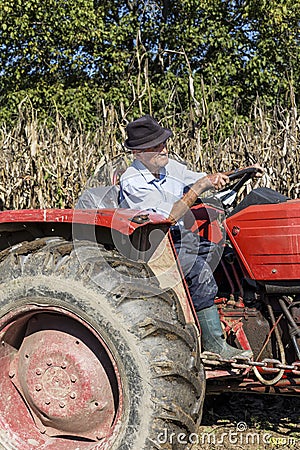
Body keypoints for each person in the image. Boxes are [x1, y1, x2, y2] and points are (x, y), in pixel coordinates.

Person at [120, 115, 263, 359]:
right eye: (155, 145)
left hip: (176, 237)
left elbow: (199, 178)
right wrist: (199, 188)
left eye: (163, 142)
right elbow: (169, 216)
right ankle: (214, 346)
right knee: (198, 271)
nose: (163, 149)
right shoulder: (133, 181)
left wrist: (233, 174)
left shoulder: (169, 167)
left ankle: (236, 312)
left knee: (230, 255)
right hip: (151, 244)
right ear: (137, 152)